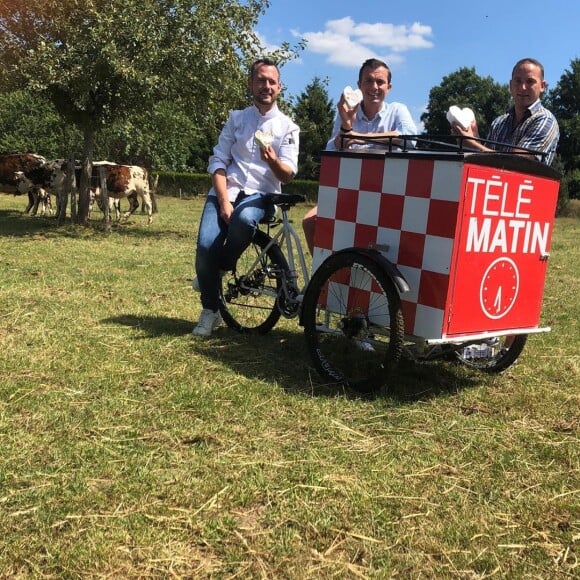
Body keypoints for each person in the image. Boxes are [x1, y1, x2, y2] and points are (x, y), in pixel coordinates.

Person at [192, 58, 300, 336]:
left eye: (272, 81)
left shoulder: (288, 127)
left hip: (262, 197)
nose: (266, 86)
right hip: (226, 191)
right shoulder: (236, 119)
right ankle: (210, 312)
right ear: (250, 84)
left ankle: (218, 269)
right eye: (261, 80)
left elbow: (287, 174)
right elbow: (217, 161)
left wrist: (274, 162)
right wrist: (224, 200)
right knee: (205, 246)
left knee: (244, 218)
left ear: (279, 87)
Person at [302, 58, 417, 254]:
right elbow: (332, 150)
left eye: (380, 82)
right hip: (351, 191)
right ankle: (323, 280)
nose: (374, 87)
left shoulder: (397, 110)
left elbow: (409, 139)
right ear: (359, 85)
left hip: (389, 194)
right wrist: (347, 125)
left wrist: (360, 137)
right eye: (368, 81)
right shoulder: (347, 111)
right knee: (309, 222)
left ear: (389, 87)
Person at [451, 57, 559, 165]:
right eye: (518, 81)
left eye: (530, 81)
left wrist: (472, 144)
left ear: (542, 86)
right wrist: (473, 139)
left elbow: (517, 163)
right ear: (511, 85)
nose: (523, 87)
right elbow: (486, 162)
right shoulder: (499, 122)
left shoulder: (545, 120)